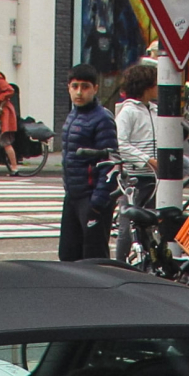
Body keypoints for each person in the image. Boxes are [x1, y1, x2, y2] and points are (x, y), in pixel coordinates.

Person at [58, 62, 116, 262]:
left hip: (91, 198)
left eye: (85, 87)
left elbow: (110, 163)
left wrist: (98, 203)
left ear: (95, 89)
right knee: (68, 255)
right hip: (74, 195)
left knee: (94, 257)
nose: (79, 92)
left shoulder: (102, 119)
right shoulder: (73, 114)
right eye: (75, 86)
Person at [112, 60, 157, 262]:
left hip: (154, 179)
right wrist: (147, 160)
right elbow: (120, 143)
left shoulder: (154, 110)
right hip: (136, 177)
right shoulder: (128, 112)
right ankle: (120, 264)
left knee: (152, 222)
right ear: (146, 86)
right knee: (128, 225)